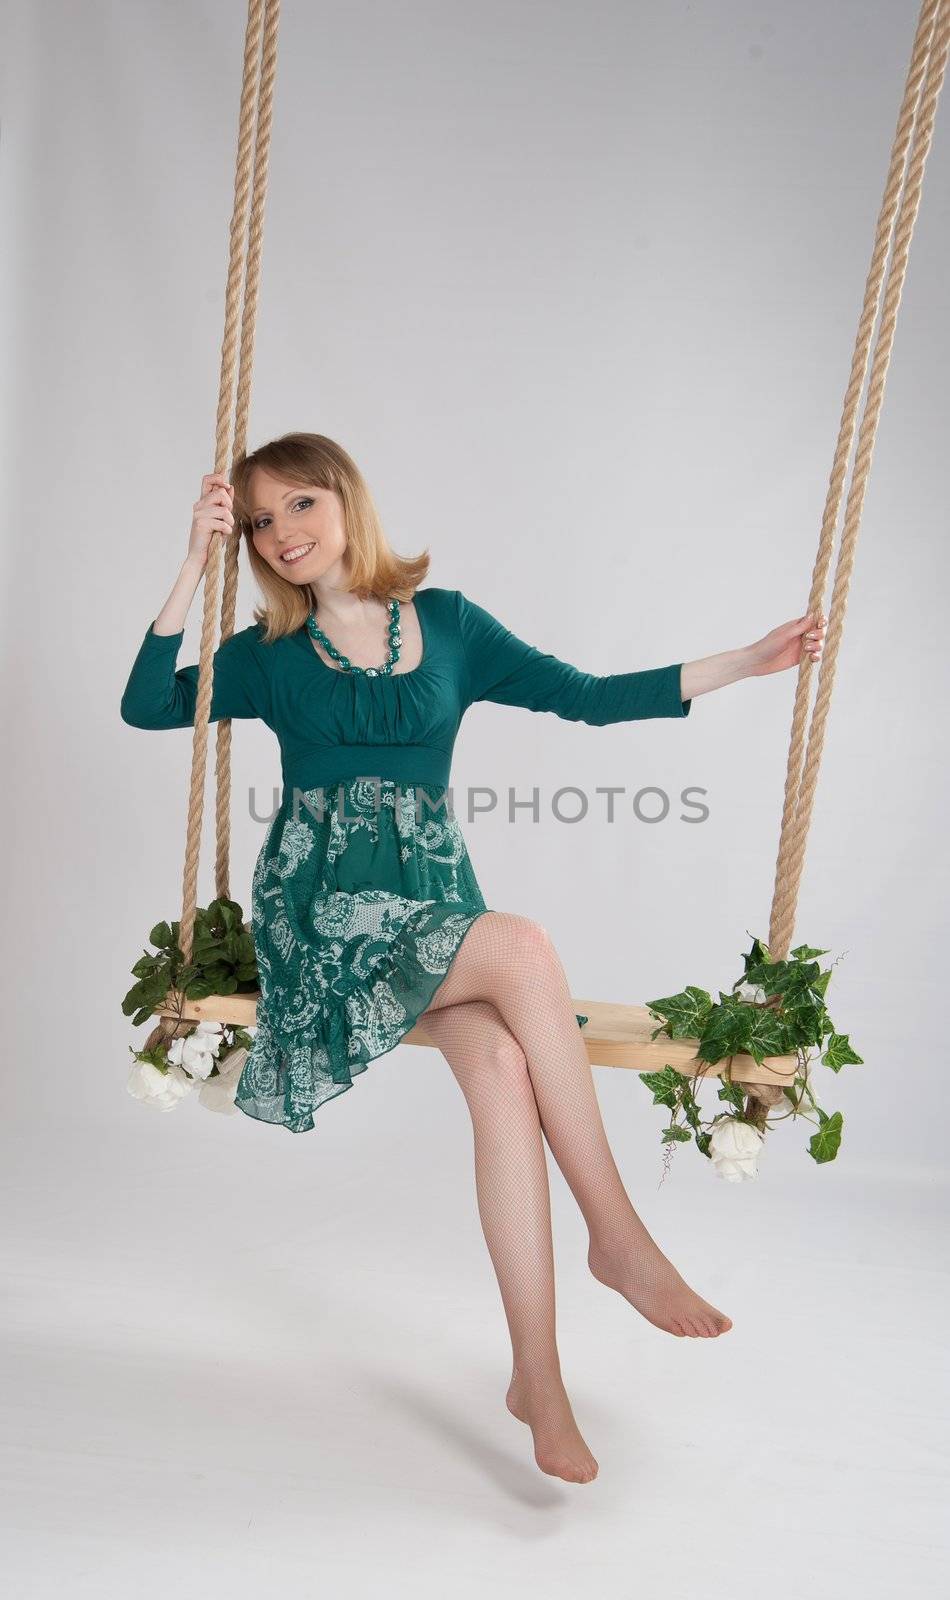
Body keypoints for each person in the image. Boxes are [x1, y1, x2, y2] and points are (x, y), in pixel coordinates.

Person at [120, 430, 826, 1485]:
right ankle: (617, 1235)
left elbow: (586, 694)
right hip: (320, 913)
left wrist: (745, 662)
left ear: (346, 501)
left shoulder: (446, 625)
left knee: (501, 1065)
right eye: (261, 523)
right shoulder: (266, 659)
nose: (283, 534)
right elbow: (144, 702)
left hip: (429, 908)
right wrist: (191, 560)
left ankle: (535, 1376)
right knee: (525, 945)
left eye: (300, 505)